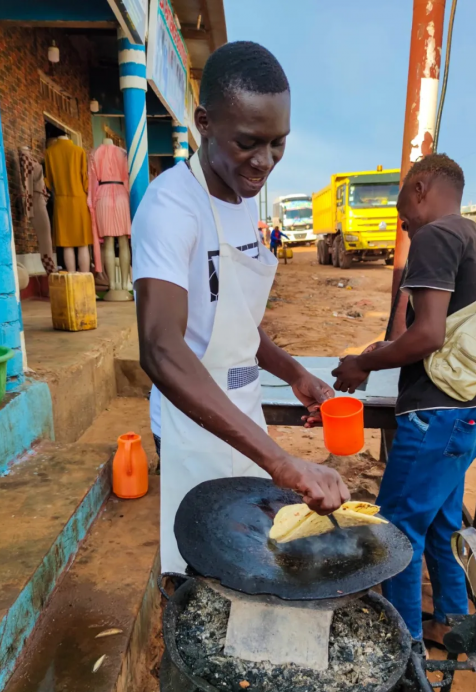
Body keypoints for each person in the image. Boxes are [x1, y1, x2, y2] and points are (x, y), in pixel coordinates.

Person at [132, 41, 349, 589]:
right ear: (204, 123)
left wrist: (293, 372)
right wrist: (282, 462)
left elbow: (236, 318)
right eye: (249, 143)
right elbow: (161, 347)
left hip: (245, 415)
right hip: (191, 426)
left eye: (279, 144)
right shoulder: (170, 207)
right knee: (199, 577)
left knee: (250, 563)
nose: (265, 161)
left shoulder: (243, 194)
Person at [332, 153, 476, 646]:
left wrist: (363, 364)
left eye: (402, 200)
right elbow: (437, 327)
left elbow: (425, 335)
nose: (400, 218)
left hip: (436, 413)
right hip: (468, 409)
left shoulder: (435, 236)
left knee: (398, 528)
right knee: (444, 521)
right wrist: (384, 349)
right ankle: (451, 618)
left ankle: (402, 645)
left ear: (421, 187)